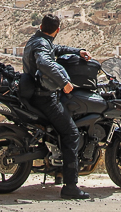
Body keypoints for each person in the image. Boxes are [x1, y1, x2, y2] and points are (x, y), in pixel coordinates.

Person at [22, 14, 93, 200]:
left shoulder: (37, 40)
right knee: (71, 133)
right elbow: (45, 62)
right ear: (57, 30)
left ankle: (57, 171)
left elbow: (56, 49)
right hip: (44, 97)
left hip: (36, 95)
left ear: (40, 26)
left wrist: (78, 51)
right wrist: (64, 83)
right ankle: (71, 186)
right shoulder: (41, 44)